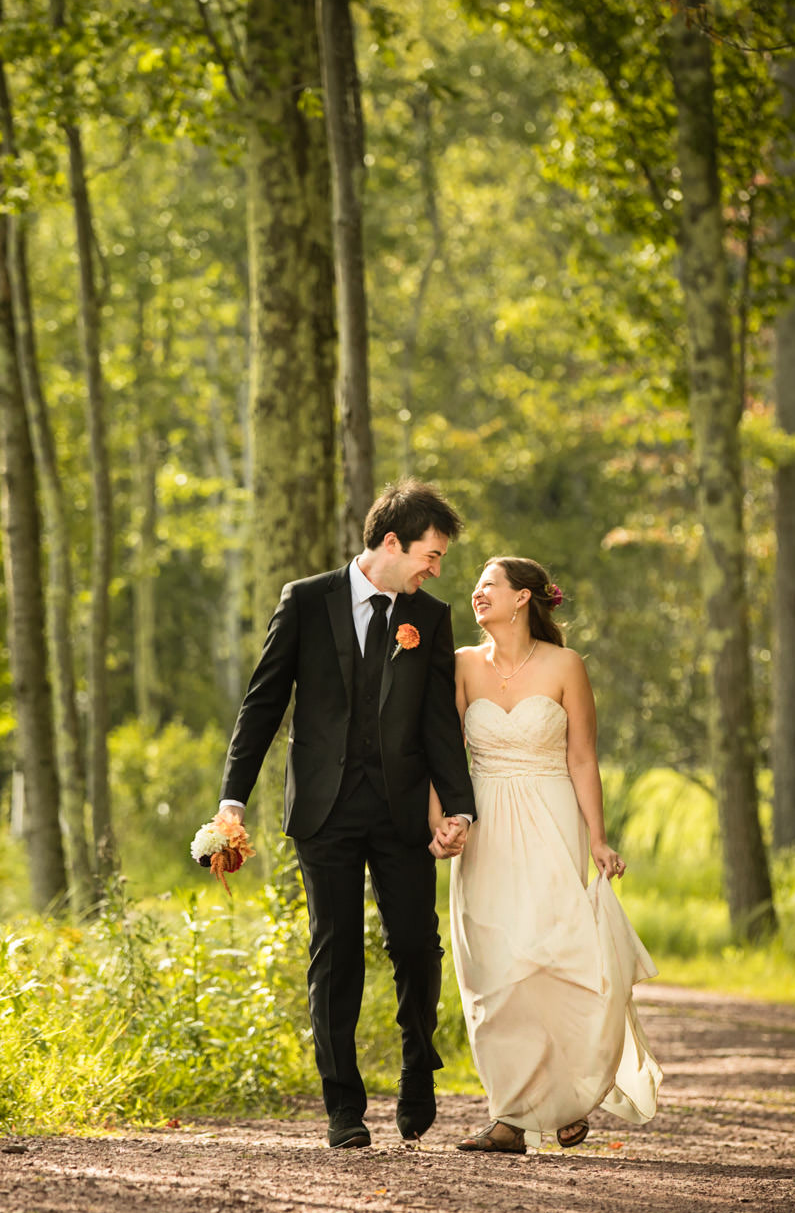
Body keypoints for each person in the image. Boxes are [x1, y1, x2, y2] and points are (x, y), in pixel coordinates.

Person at [216, 480, 477, 1148]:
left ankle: (419, 1065)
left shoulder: (432, 615)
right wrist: (232, 799)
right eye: (431, 553)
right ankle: (343, 1107)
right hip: (324, 811)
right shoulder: (306, 600)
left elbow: (441, 725)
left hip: (400, 812)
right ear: (392, 542)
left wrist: (460, 809)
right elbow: (263, 703)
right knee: (335, 955)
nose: (435, 568)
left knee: (416, 946)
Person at [440, 556, 662, 1154]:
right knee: (494, 967)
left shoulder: (566, 666)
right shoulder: (460, 664)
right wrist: (442, 821)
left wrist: (597, 837)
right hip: (484, 823)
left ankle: (567, 1094)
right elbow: (442, 751)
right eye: (476, 585)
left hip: (551, 814)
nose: (477, 592)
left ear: (523, 599)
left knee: (553, 956)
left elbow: (582, 758)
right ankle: (510, 1114)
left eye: (490, 584)